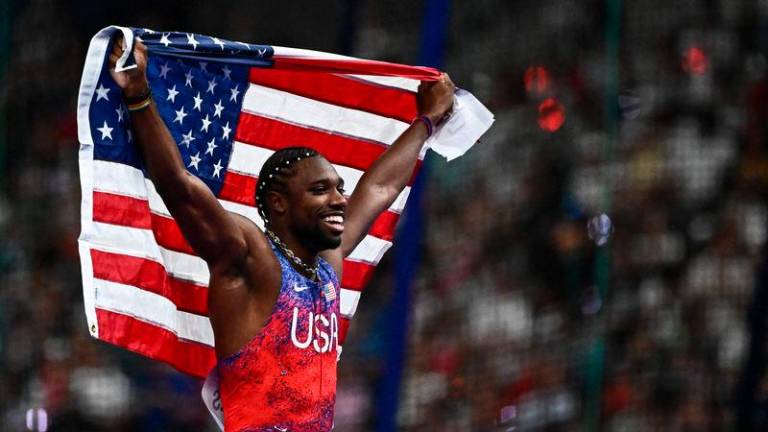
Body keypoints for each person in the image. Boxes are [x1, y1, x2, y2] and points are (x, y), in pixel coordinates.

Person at [108, 37, 455, 431]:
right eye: (320, 190)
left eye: (339, 188)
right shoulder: (249, 256)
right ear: (279, 204)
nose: (340, 200)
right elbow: (179, 186)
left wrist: (425, 123)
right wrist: (139, 97)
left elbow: (378, 190)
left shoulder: (327, 264)